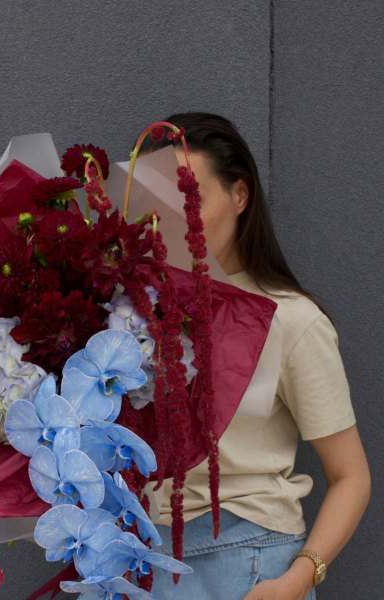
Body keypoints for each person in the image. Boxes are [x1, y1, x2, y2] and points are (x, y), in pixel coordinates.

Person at [136, 112, 372, 600]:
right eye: (158, 203)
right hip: (143, 558)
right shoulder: (135, 316)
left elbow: (351, 476)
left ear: (239, 196)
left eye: (190, 198)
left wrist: (298, 580)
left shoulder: (292, 319)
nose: (174, 218)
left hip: (246, 561)